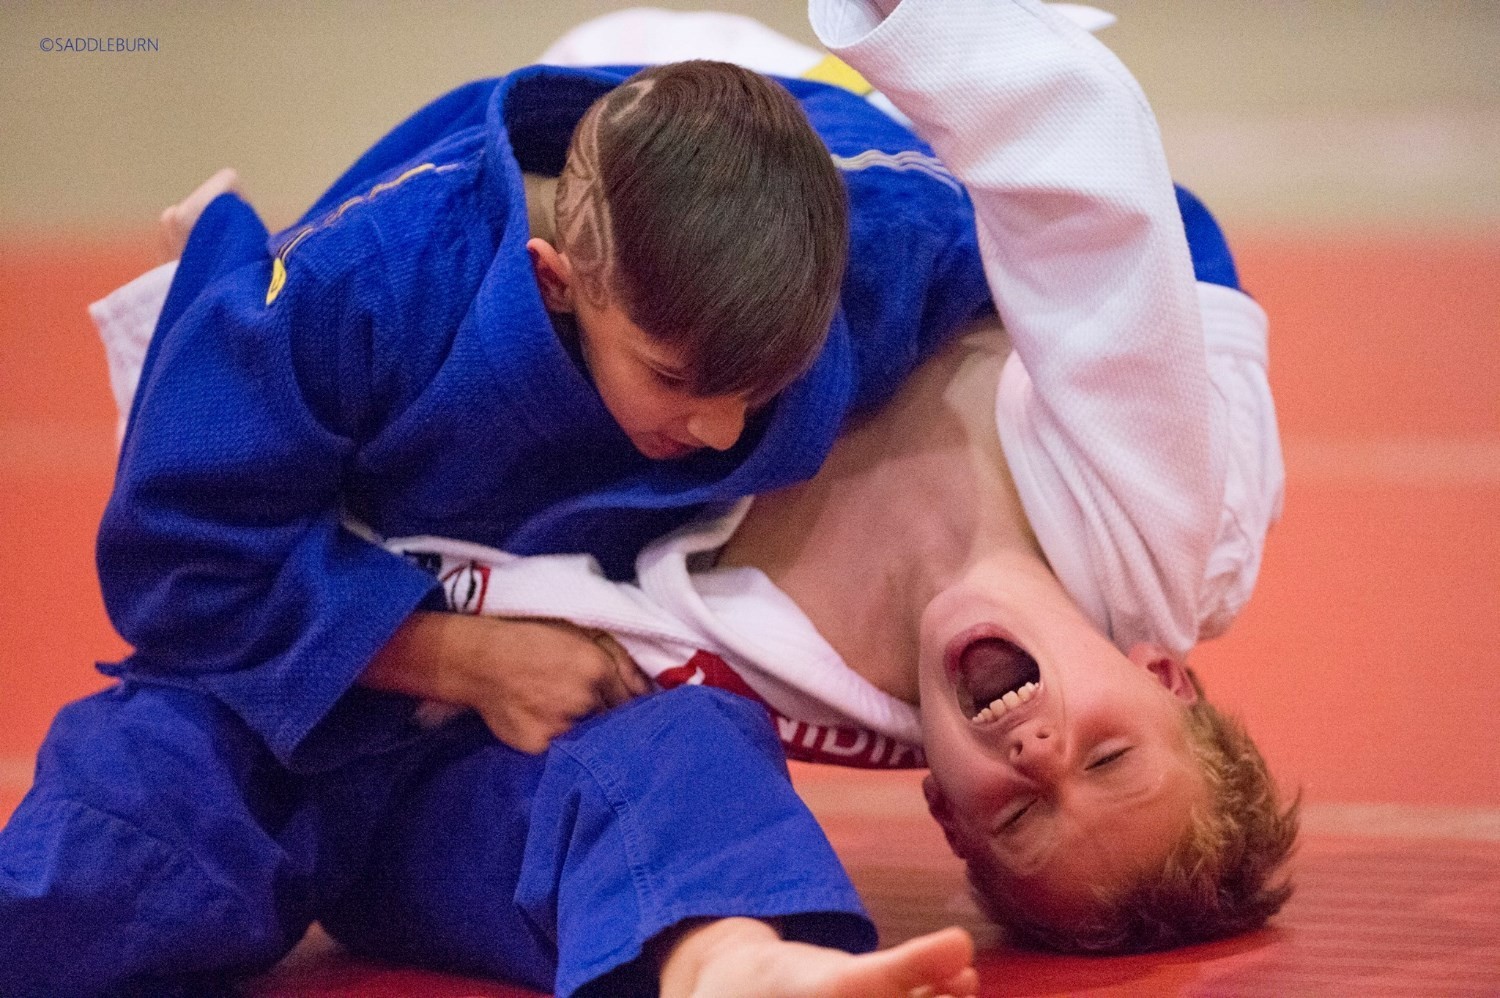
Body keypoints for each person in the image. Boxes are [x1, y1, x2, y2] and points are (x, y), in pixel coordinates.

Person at [2, 14, 997, 998]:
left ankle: (732, 969)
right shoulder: (369, 278)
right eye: (674, 377)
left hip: (496, 783)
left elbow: (1112, 242)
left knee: (688, 750)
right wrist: (463, 656)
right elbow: (182, 563)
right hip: (268, 726)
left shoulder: (884, 229)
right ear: (556, 281)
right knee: (102, 848)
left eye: (765, 386)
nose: (723, 431)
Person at [378, 0, 1300, 954]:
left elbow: (470, 568)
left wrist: (441, 647)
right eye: (1108, 757)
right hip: (820, 141)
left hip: (579, 198)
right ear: (1165, 677)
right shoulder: (1171, 525)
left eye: (1021, 818)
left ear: (946, 812)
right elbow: (1087, 177)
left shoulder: (755, 672)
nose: (1039, 757)